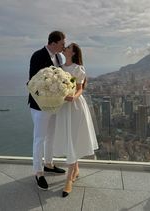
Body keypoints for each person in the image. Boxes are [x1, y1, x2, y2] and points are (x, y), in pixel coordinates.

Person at [53, 43, 98, 197]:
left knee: (72, 138)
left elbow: (80, 88)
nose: (65, 48)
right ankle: (76, 169)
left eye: (69, 47)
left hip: (75, 107)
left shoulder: (78, 69)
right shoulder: (59, 68)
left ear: (73, 52)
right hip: (63, 107)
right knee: (69, 139)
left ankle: (69, 180)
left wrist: (73, 97)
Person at [28, 31, 66, 190]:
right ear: (54, 43)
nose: (64, 46)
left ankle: (48, 164)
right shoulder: (38, 55)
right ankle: (38, 172)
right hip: (40, 106)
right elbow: (33, 82)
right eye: (62, 43)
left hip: (54, 105)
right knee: (39, 139)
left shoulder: (58, 57)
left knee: (51, 136)